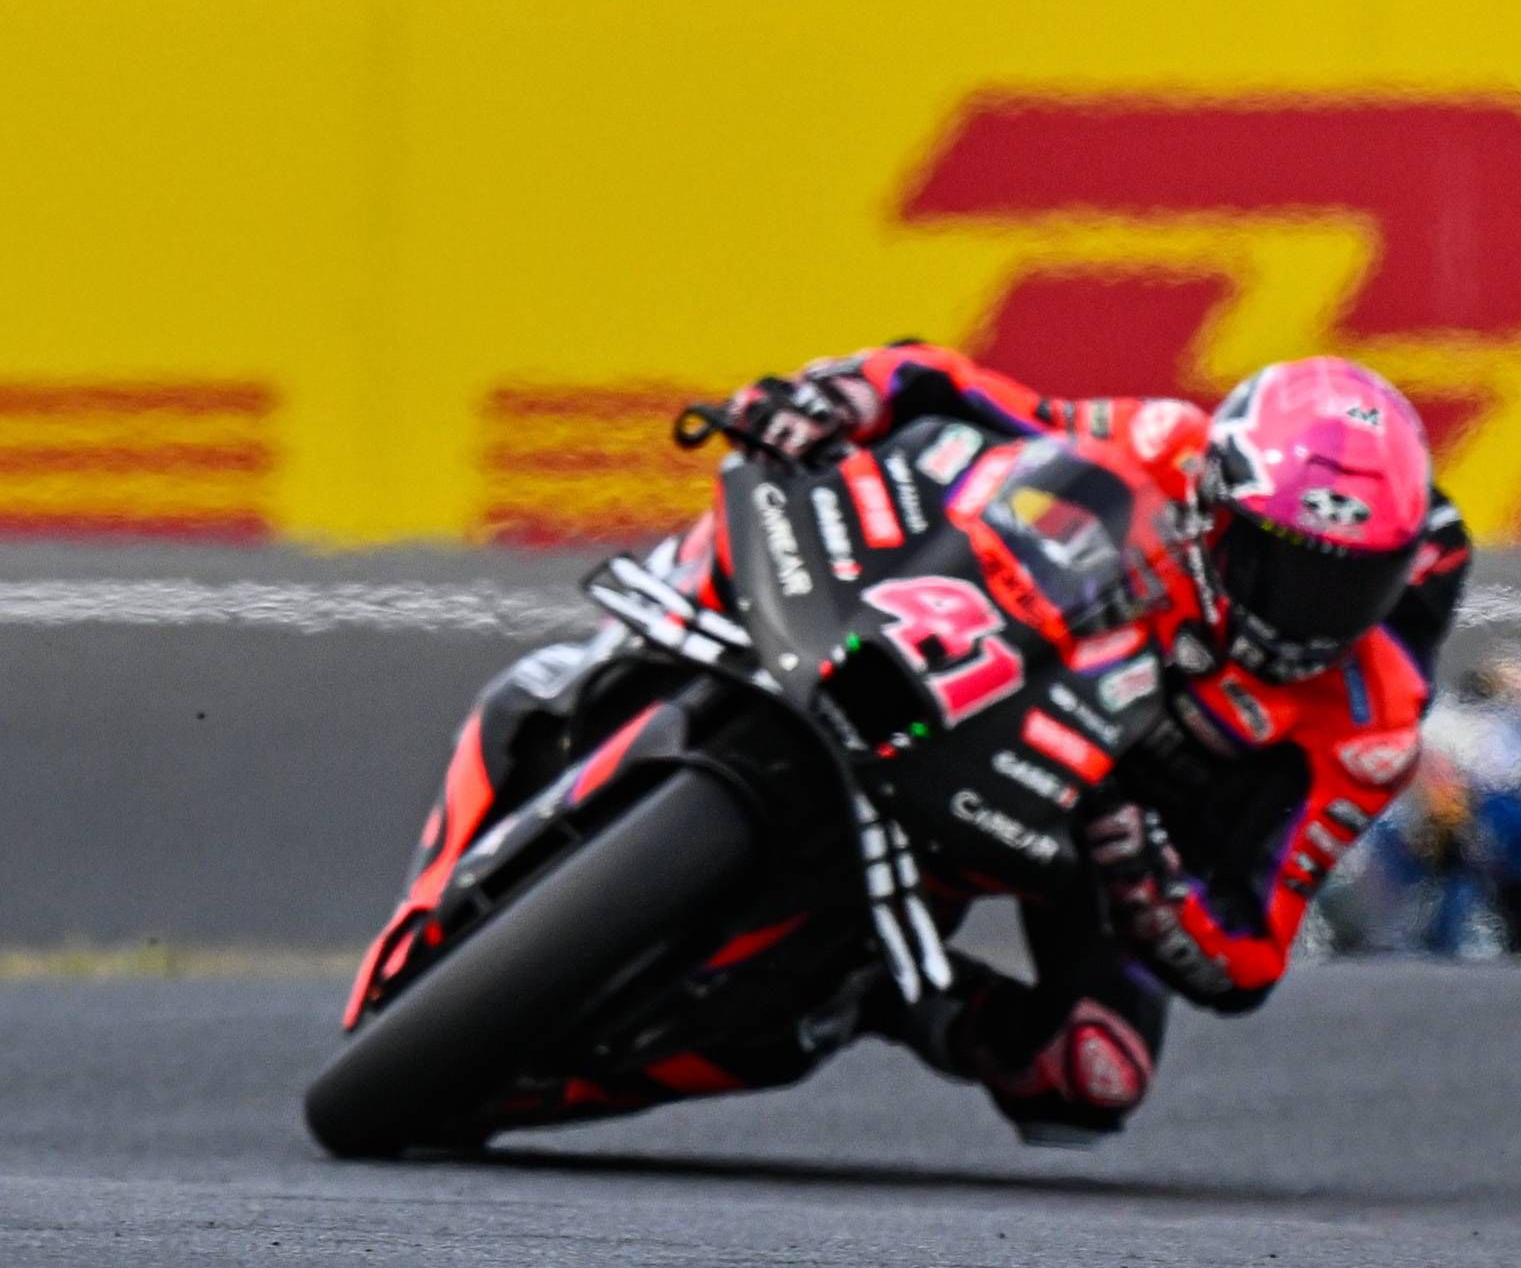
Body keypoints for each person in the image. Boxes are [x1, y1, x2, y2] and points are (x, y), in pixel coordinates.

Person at [446, 342, 1469, 1142]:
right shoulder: (1164, 439)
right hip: (981, 647)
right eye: (1279, 560)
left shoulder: (1368, 718)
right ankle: (628, 647)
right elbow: (967, 394)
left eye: (1345, 581)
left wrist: (1152, 886)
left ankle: (875, 1001)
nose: (1303, 607)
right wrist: (841, 396)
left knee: (1091, 1072)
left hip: (1097, 828)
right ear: (1215, 499)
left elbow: (1250, 953)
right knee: (809, 482)